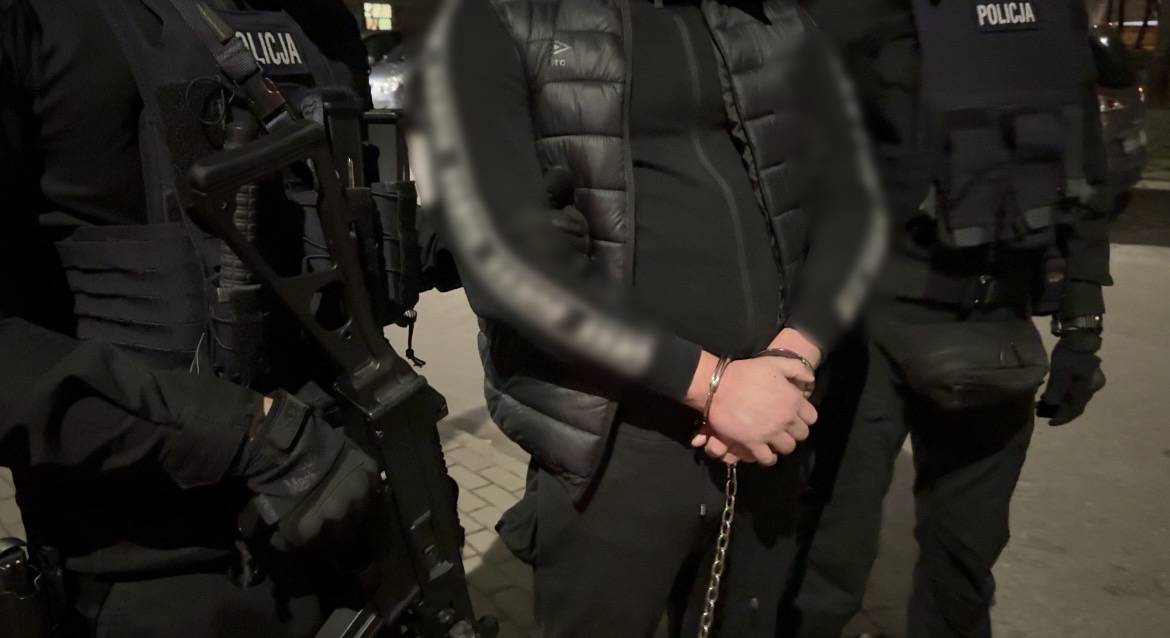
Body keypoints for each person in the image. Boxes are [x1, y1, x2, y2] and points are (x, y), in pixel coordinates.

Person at [418, 0, 887, 636]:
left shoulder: (773, 18)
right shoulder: (501, 18)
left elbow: (849, 201)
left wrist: (796, 351)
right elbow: (500, 256)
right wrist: (710, 383)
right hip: (614, 439)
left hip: (771, 419)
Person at [0, 1, 383, 635]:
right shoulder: (38, 18)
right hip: (162, 574)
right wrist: (247, 434)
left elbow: (331, 231)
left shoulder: (320, 21)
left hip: (349, 508)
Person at [783, 1, 1112, 636]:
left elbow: (1083, 166)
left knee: (963, 565)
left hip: (996, 321)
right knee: (827, 559)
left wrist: (1082, 324)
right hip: (868, 326)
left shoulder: (1047, 15)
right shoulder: (846, 13)